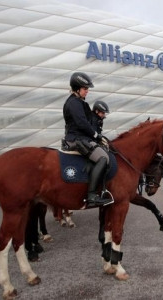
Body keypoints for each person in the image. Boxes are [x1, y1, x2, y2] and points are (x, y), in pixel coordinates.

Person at [63, 72, 113, 207]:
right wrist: (97, 136)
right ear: (77, 88)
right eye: (85, 89)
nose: (87, 91)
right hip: (76, 139)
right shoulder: (74, 103)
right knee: (103, 158)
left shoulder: (78, 102)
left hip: (80, 137)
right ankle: (92, 196)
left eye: (87, 89)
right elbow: (82, 123)